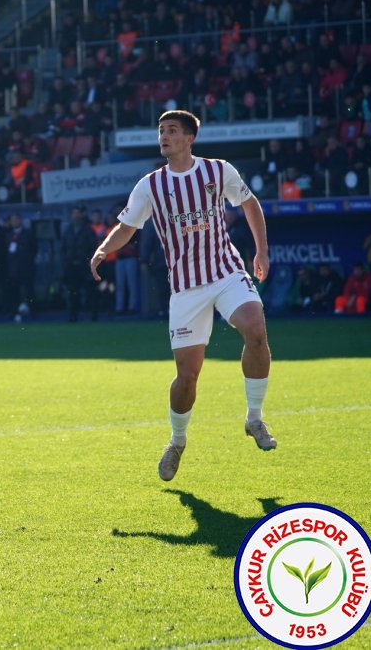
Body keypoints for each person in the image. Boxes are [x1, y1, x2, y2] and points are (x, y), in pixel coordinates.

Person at [90, 110, 276, 482]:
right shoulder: (150, 185)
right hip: (186, 288)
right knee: (187, 377)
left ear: (189, 138)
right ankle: (176, 442)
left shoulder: (218, 171)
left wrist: (261, 251)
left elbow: (250, 204)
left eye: (172, 131)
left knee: (255, 329)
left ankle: (254, 419)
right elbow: (127, 227)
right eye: (161, 130)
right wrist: (102, 249)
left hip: (226, 272)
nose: (164, 136)